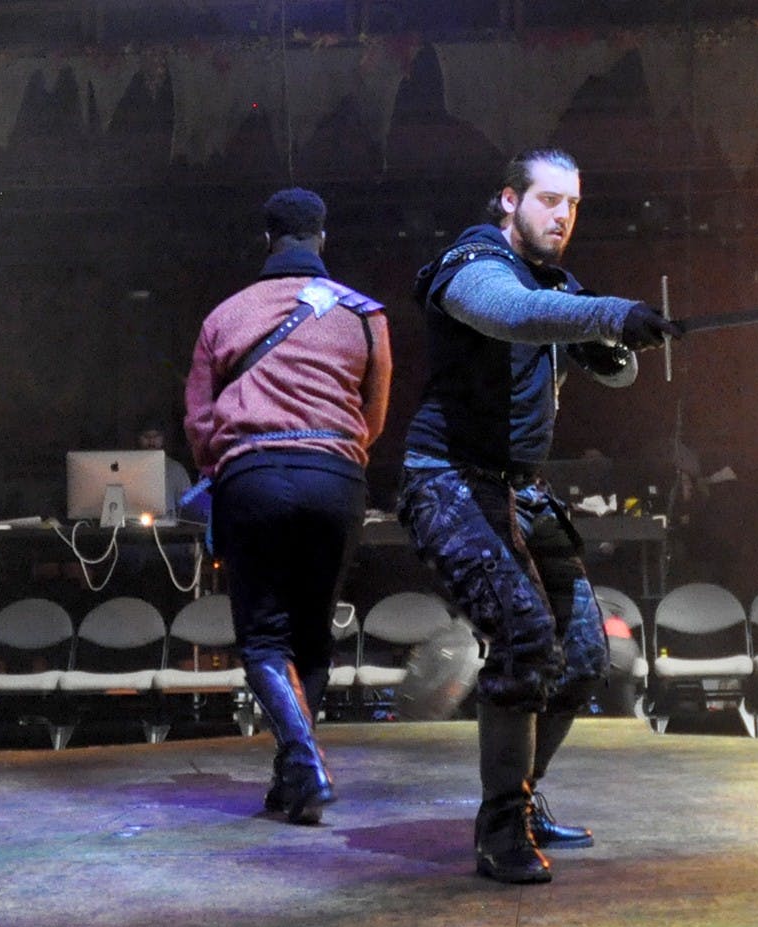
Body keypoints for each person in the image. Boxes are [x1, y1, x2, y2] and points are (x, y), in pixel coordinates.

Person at [396, 148, 681, 883]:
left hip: (519, 488)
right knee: (525, 639)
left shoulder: (554, 280)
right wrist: (611, 313)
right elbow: (517, 316)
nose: (562, 216)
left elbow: (613, 369)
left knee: (584, 655)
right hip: (449, 480)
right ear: (508, 200)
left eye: (573, 205)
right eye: (549, 200)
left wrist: (617, 342)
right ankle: (499, 836)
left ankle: (519, 800)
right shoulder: (474, 263)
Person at [184, 187, 392, 824]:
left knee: (264, 640)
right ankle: (292, 781)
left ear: (266, 240)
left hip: (255, 479)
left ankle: (304, 763)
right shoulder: (366, 315)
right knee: (312, 639)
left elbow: (198, 424)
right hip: (336, 480)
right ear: (323, 239)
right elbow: (374, 417)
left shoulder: (225, 315)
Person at [135, 414, 193, 518]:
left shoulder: (176, 469)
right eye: (146, 437)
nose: (151, 441)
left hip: (168, 531)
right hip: (132, 530)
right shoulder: (128, 469)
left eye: (156, 436)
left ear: (162, 438)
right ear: (139, 438)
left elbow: (189, 505)